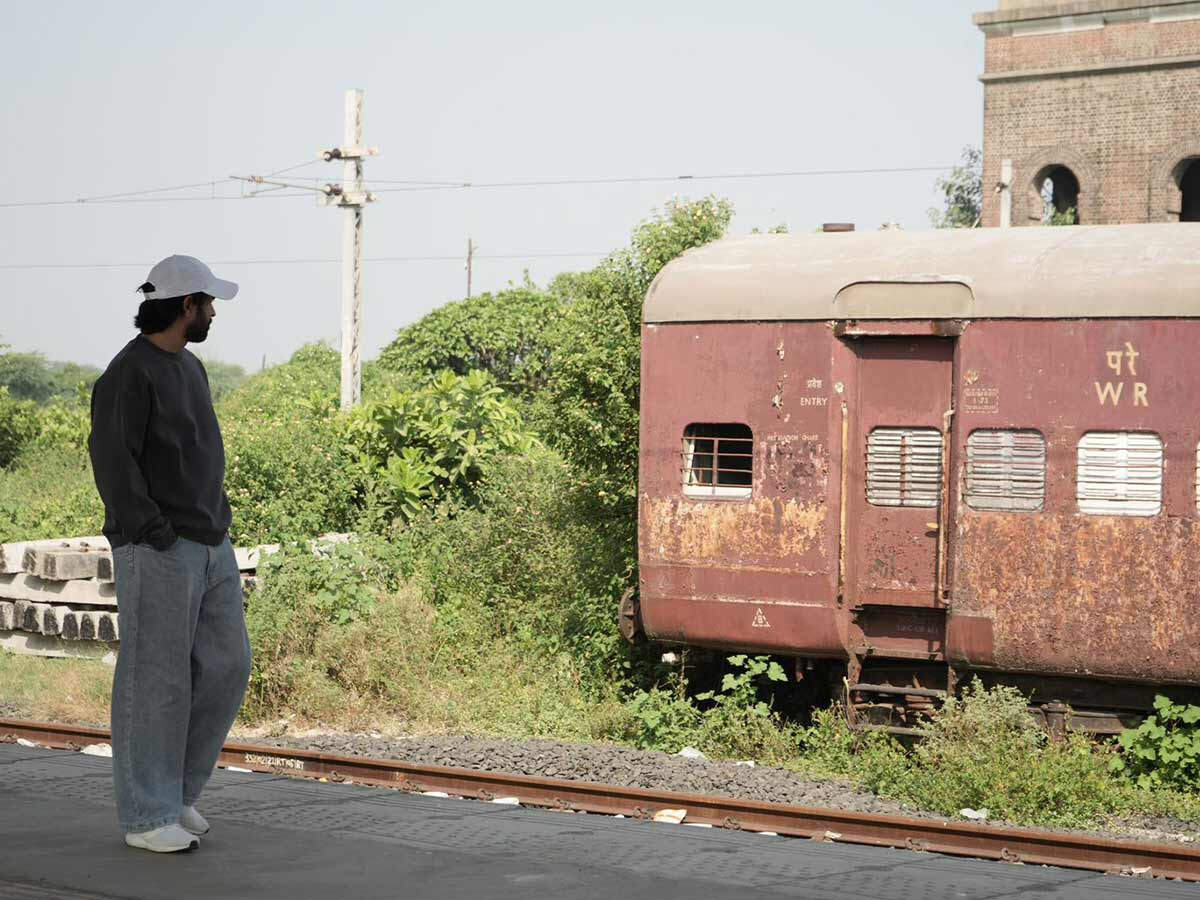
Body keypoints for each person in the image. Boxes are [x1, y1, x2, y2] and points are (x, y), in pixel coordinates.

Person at [88, 255, 252, 853]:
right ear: (186, 305)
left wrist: (217, 526)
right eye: (208, 303)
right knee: (155, 681)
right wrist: (152, 531)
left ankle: (177, 795)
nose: (213, 313)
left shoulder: (192, 368)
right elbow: (112, 460)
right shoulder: (128, 373)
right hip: (158, 547)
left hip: (211, 542)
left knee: (227, 664)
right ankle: (145, 814)